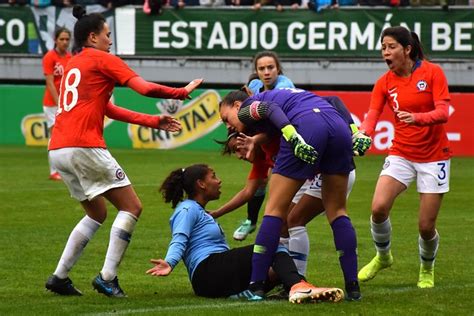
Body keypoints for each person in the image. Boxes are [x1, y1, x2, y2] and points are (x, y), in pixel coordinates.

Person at [44, 5, 202, 297]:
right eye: (107, 34)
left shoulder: (74, 65)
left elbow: (109, 109)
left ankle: (59, 276)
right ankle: (107, 277)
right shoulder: (103, 59)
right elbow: (142, 88)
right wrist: (180, 92)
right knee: (132, 207)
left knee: (97, 213)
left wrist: (153, 121)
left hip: (58, 149)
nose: (111, 41)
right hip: (84, 145)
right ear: (93, 37)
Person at [219, 88, 359, 301]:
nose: (227, 125)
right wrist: (355, 131)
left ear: (237, 106)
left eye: (225, 118)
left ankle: (255, 286)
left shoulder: (246, 109)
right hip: (338, 126)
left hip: (305, 128)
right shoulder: (275, 113)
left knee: (275, 211)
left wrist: (292, 136)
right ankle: (353, 288)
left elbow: (269, 108)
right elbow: (333, 99)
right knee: (338, 211)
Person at [146, 164, 344, 303]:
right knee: (271, 248)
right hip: (207, 272)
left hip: (213, 276)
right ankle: (299, 286)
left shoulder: (199, 211)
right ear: (201, 184)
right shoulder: (187, 209)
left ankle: (269, 290)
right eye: (213, 176)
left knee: (275, 270)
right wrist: (170, 262)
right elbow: (179, 238)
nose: (219, 180)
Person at [357, 26, 451, 289]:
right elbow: (373, 115)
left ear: (407, 49)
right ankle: (383, 256)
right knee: (378, 208)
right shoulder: (384, 83)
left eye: (390, 47)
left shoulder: (432, 73)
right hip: (401, 153)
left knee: (425, 226)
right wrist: (364, 134)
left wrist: (417, 118)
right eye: (383, 48)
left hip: (435, 157)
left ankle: (426, 268)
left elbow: (443, 112)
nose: (385, 52)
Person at [225, 51, 296, 241]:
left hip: (286, 142)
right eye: (261, 68)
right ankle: (253, 222)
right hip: (268, 142)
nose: (266, 72)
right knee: (265, 190)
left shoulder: (284, 85)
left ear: (278, 69)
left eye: (270, 68)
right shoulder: (255, 86)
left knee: (279, 206)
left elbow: (271, 113)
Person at [42, 27, 72, 181]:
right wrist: (59, 103)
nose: (65, 42)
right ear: (55, 40)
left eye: (67, 39)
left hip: (65, 103)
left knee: (67, 136)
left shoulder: (70, 57)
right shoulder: (49, 57)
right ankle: (54, 171)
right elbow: (50, 83)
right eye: (62, 39)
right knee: (55, 135)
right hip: (52, 103)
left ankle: (64, 168)